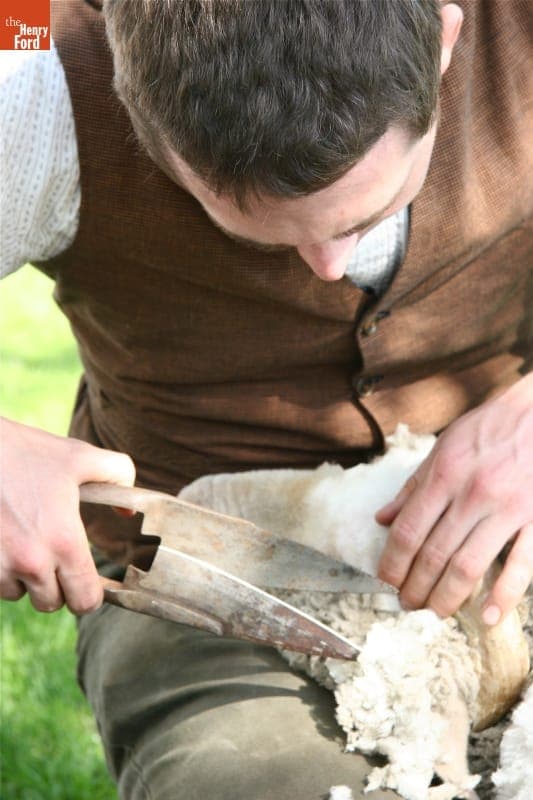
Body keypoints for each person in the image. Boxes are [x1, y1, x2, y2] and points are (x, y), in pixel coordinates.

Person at [1, 1, 531, 797]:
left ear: (445, 38)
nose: (327, 264)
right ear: (130, 94)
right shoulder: (30, 64)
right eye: (261, 228)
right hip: (181, 563)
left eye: (367, 209)